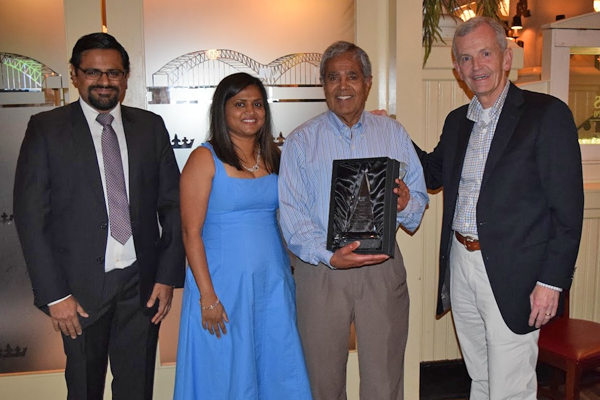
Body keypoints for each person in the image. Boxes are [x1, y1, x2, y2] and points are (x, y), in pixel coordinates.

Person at [413, 17, 584, 400]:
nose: (477, 66)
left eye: (485, 53)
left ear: (506, 59)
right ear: (458, 69)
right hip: (461, 263)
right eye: (467, 58)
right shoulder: (458, 122)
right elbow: (432, 173)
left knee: (511, 386)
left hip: (515, 273)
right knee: (481, 376)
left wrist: (550, 283)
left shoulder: (547, 115)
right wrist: (392, 133)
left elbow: (568, 211)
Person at [13, 33, 185, 400]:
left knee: (137, 389)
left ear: (125, 76)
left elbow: (173, 205)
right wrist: (55, 295)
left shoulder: (150, 126)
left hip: (142, 287)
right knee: (84, 389)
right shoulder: (46, 129)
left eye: (114, 73)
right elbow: (31, 219)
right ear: (74, 74)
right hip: (78, 292)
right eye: (93, 72)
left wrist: (167, 276)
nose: (105, 81)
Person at [278, 41, 428, 400]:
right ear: (323, 85)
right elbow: (292, 214)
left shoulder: (393, 134)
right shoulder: (300, 141)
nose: (342, 85)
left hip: (381, 268)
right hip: (322, 271)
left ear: (368, 82)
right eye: (333, 77)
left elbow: (418, 202)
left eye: (352, 76)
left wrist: (406, 202)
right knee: (322, 381)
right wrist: (330, 255)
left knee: (384, 378)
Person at [173, 72, 312, 400]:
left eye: (258, 104)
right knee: (224, 370)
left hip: (271, 283)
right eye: (240, 104)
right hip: (222, 288)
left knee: (274, 365)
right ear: (222, 110)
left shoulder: (273, 157)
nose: (251, 111)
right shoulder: (204, 159)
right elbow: (190, 234)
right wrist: (207, 296)